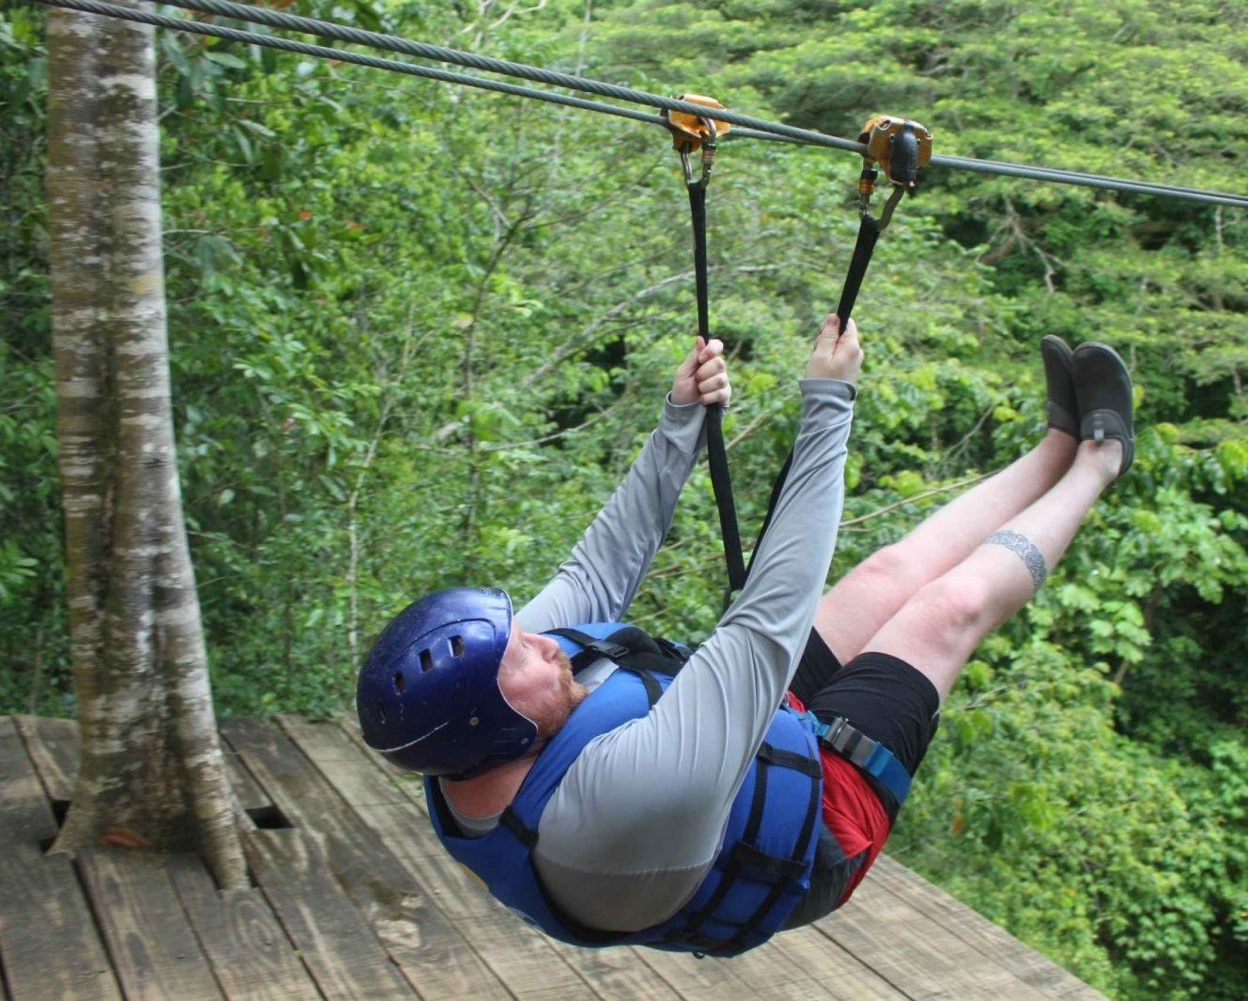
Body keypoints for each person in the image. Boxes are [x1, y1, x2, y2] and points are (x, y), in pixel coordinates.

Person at [357, 317, 1134, 956]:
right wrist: (829, 402)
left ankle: (1054, 446)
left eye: (522, 635)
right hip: (816, 829)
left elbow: (600, 565)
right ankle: (1100, 461)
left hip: (740, 753)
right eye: (524, 656)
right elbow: (766, 621)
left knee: (884, 574)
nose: (546, 642)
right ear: (498, 732)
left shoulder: (479, 719)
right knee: (945, 610)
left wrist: (678, 420)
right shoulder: (610, 805)